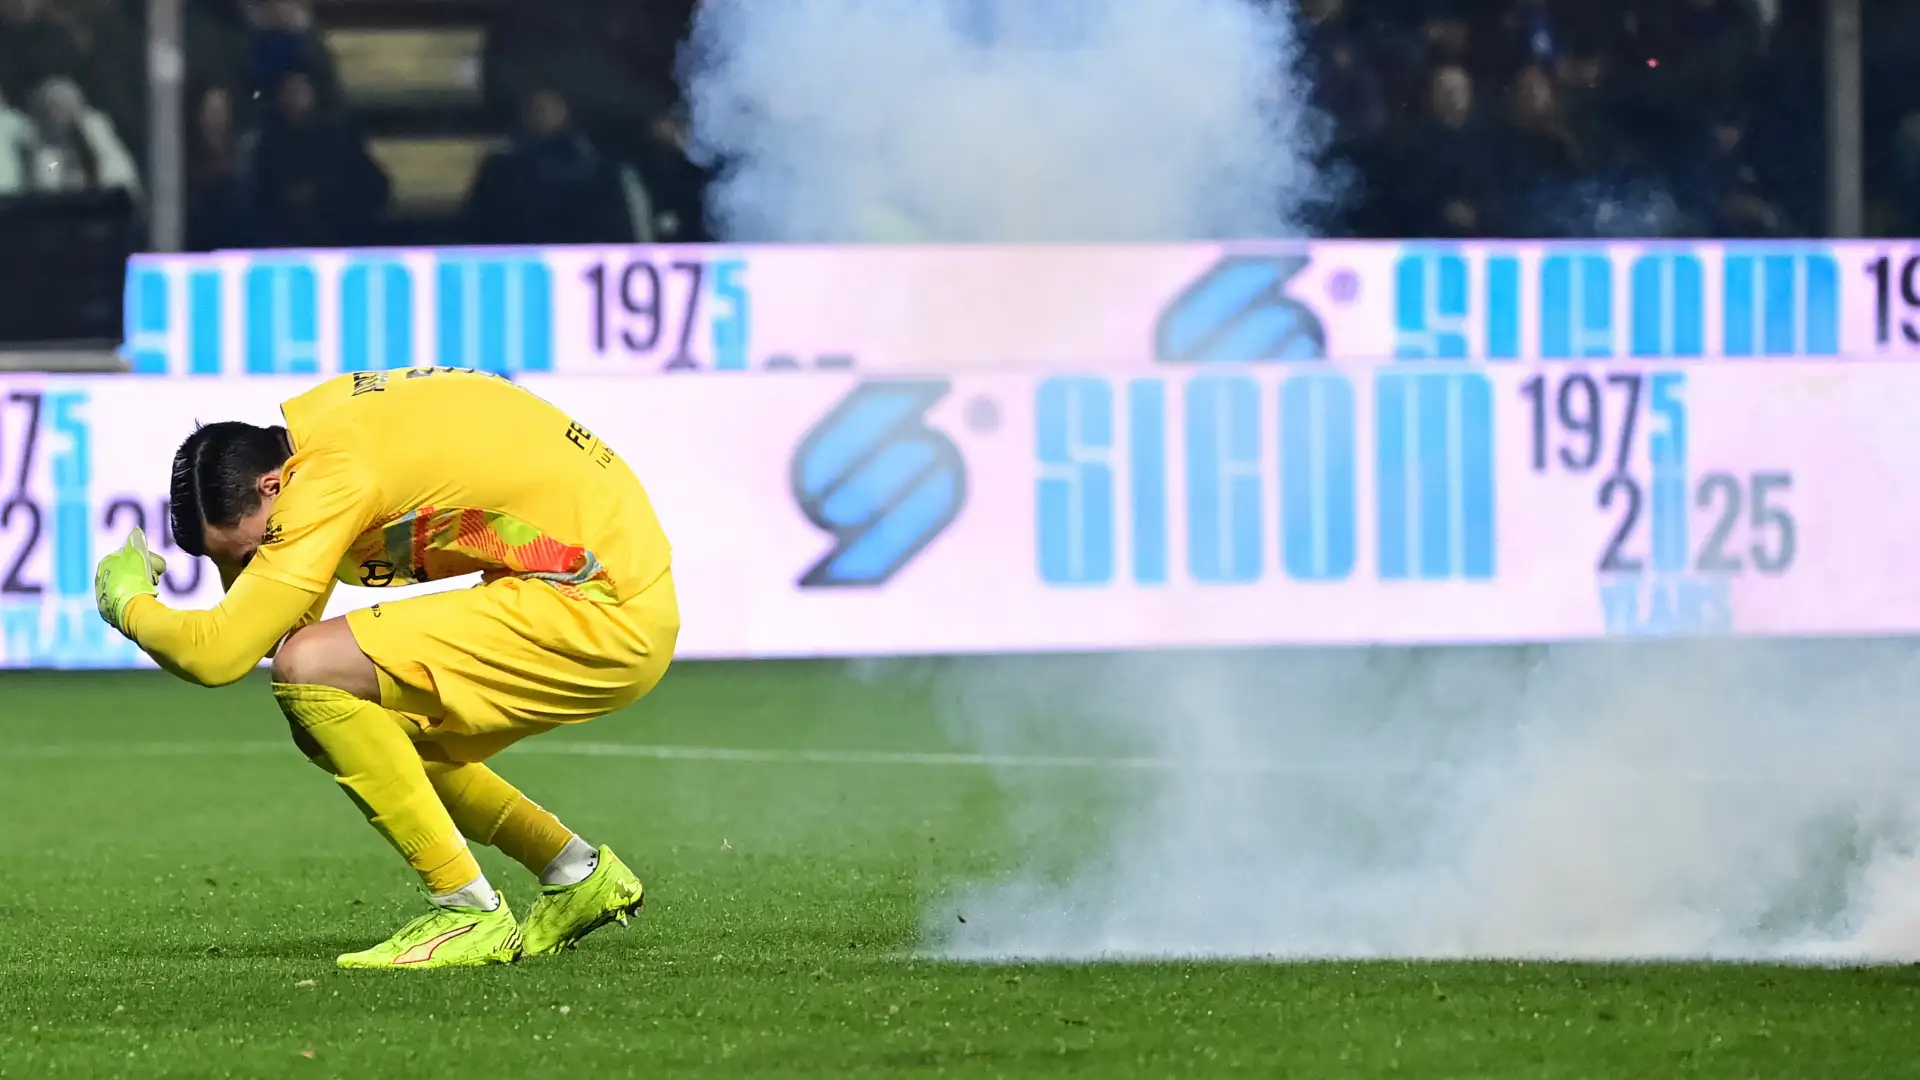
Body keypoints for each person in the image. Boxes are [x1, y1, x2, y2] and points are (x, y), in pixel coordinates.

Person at [92, 367, 680, 970]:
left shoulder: (330, 477)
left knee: (310, 672)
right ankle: (576, 872)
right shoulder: (321, 442)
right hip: (607, 589)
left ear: (271, 486)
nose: (248, 570)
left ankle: (467, 909)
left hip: (599, 603)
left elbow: (218, 656)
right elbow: (273, 630)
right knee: (353, 724)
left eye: (252, 551)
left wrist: (127, 604)